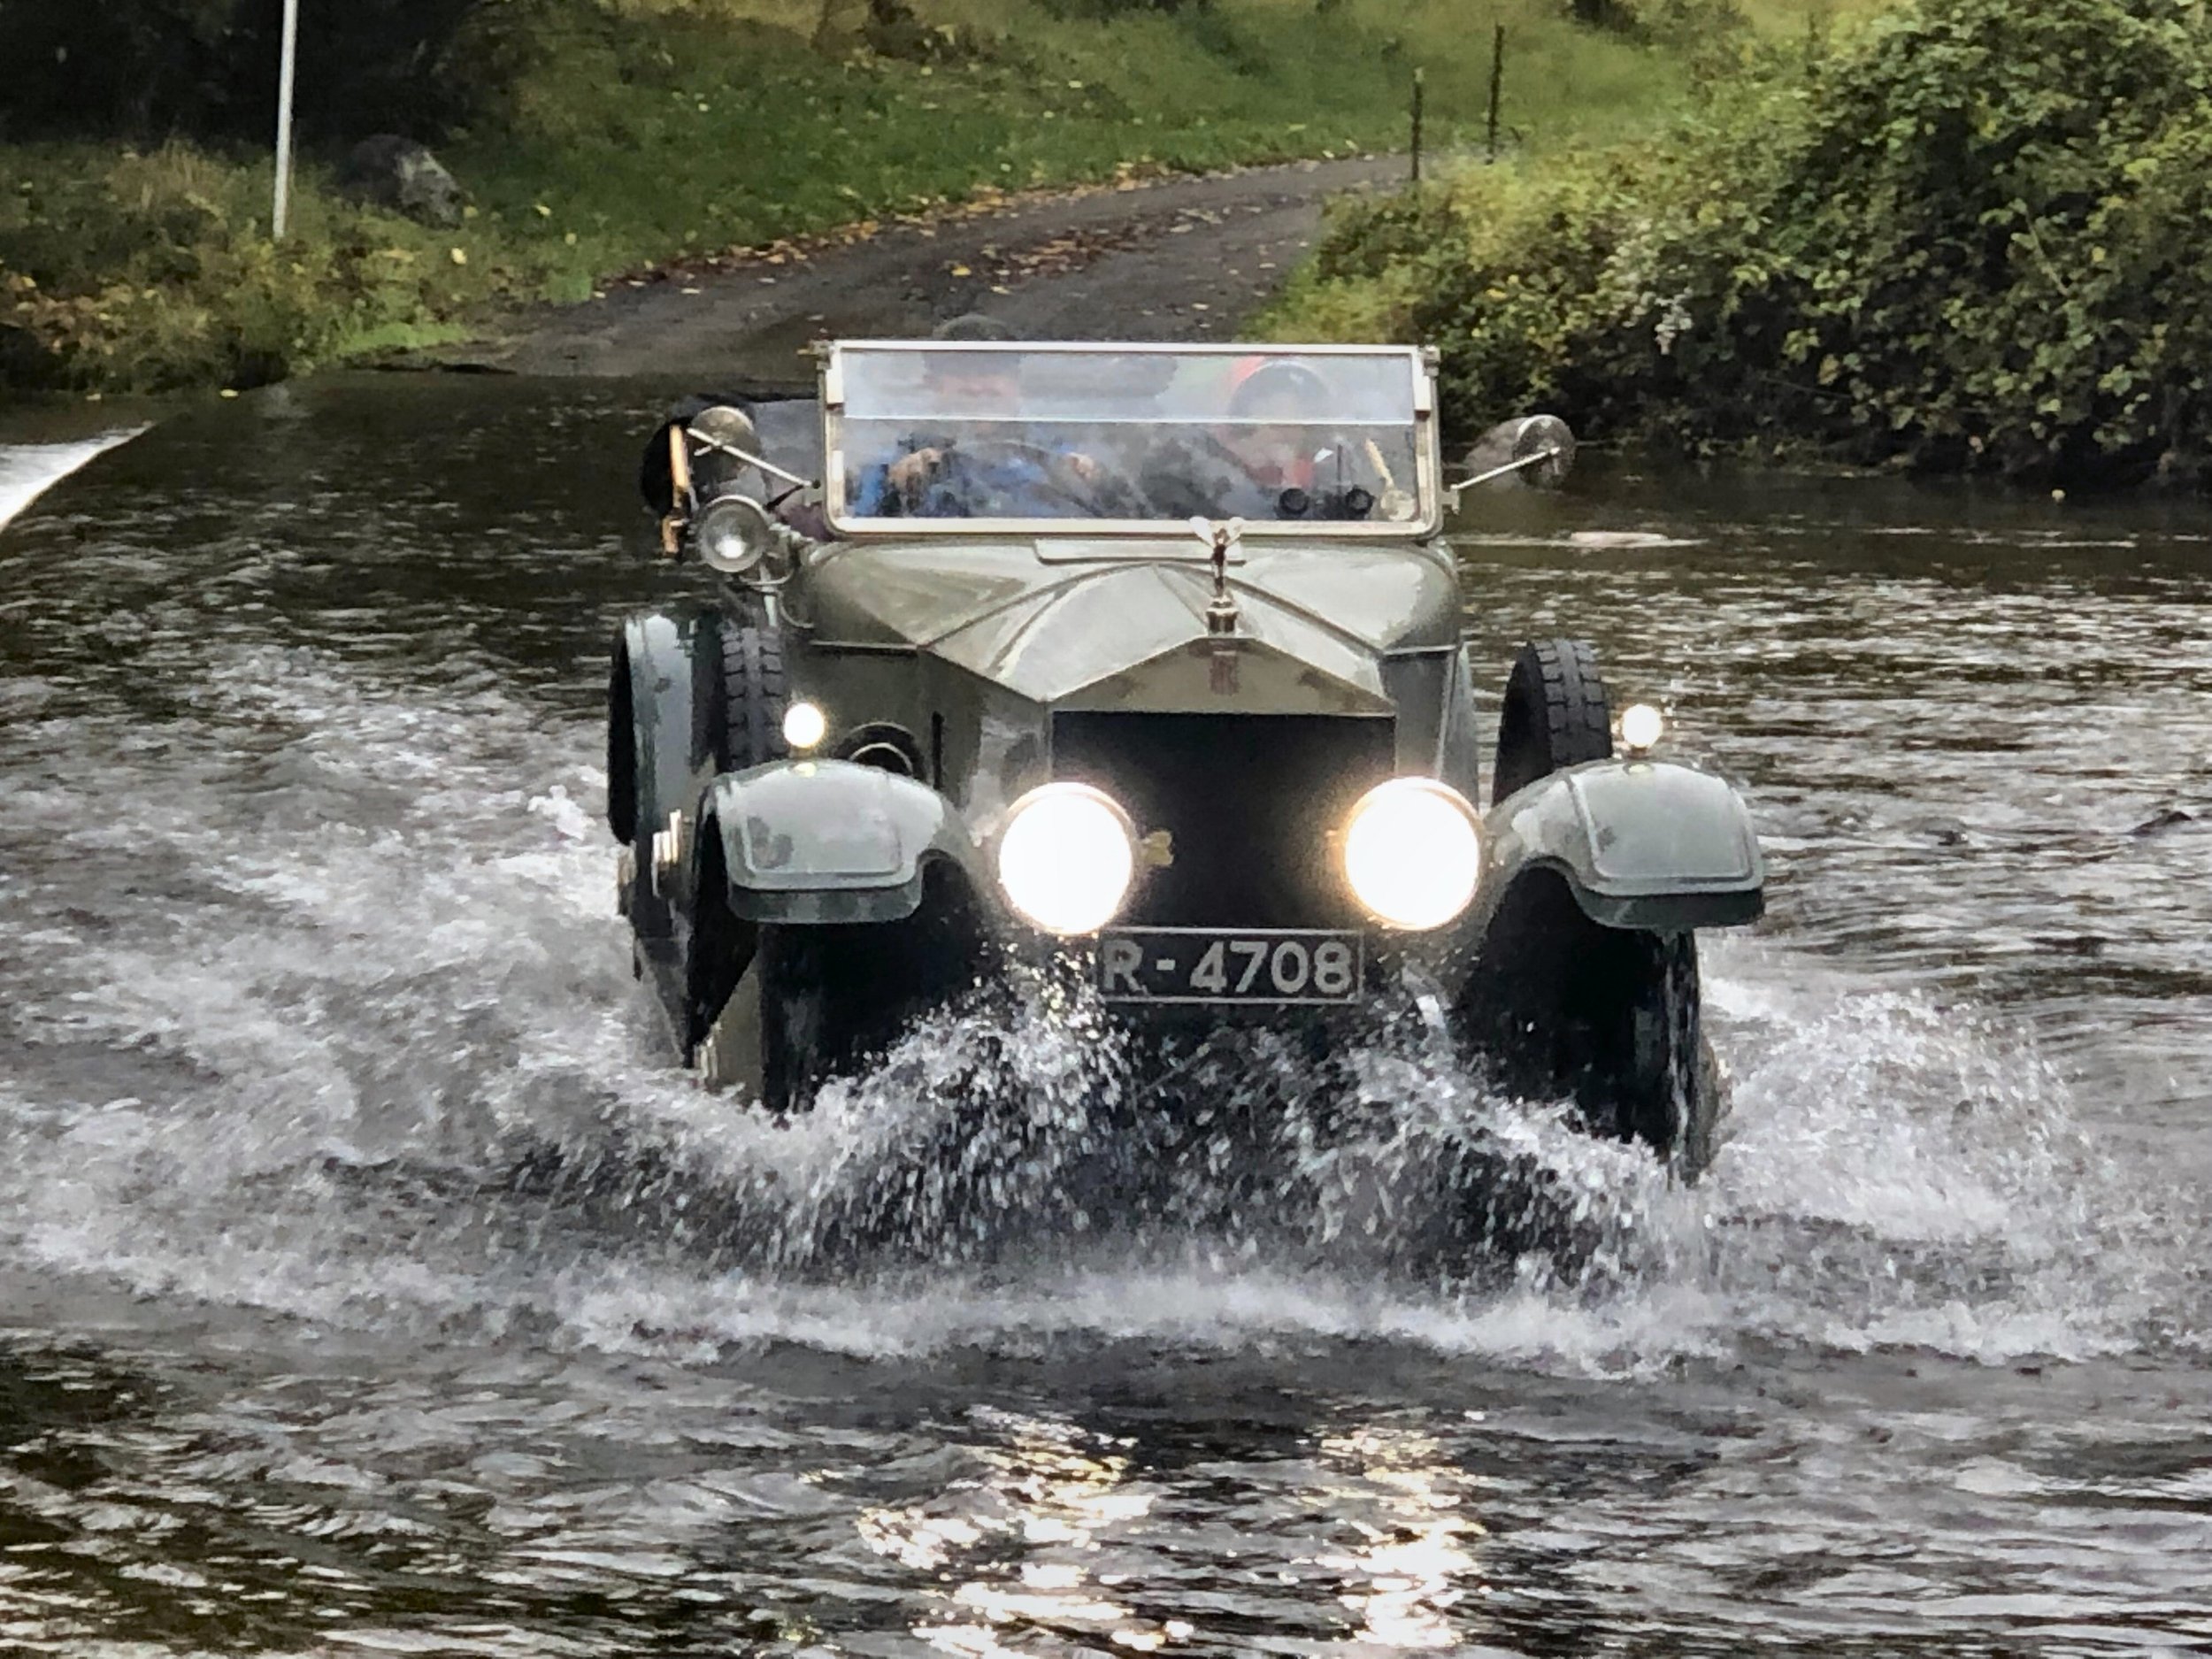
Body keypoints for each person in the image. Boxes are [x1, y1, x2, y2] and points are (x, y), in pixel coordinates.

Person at [846, 316, 1109, 519]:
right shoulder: (893, 461)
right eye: (961, 372)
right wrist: (899, 489)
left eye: (992, 371)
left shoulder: (1058, 457)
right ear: (933, 384)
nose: (977, 386)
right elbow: (858, 532)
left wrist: (1091, 480)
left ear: (1016, 383)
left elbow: (1124, 515)